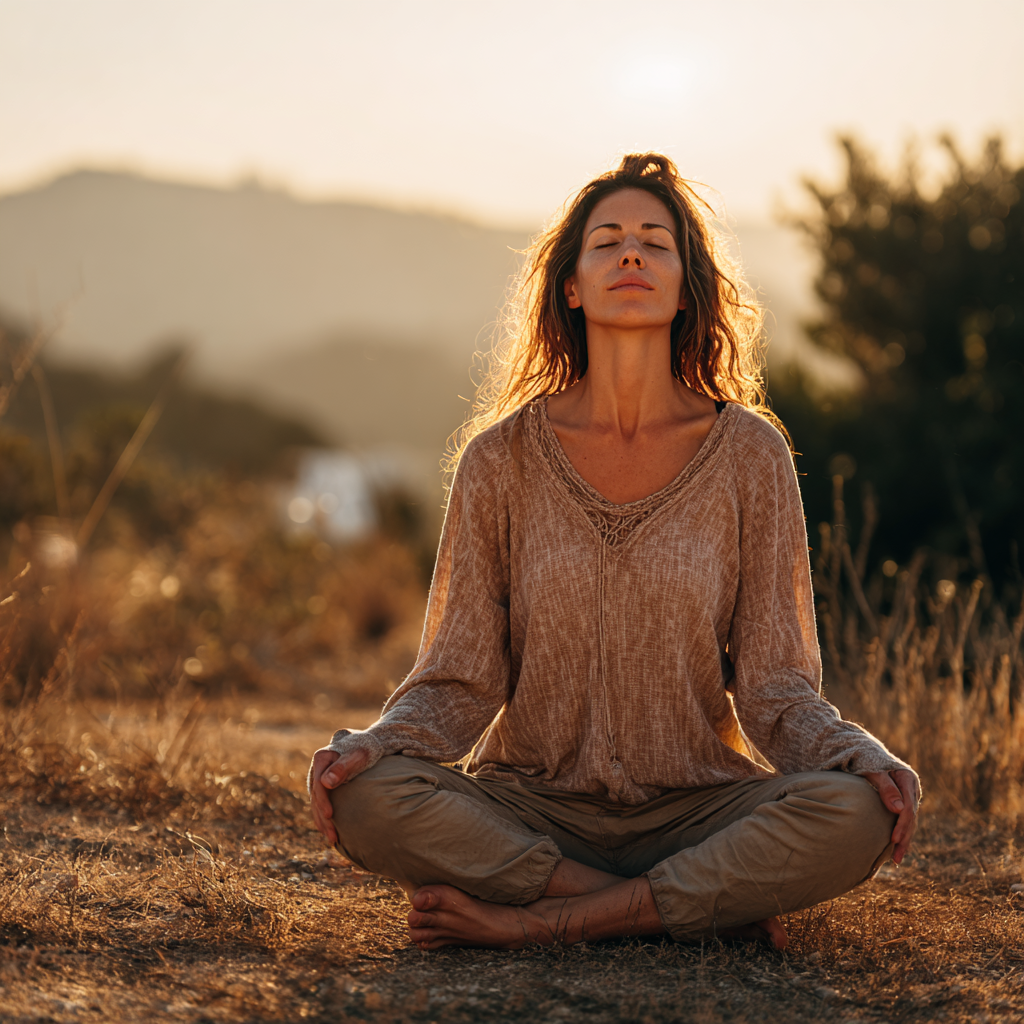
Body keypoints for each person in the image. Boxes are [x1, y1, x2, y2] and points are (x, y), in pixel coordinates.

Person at [307, 153, 920, 952]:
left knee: (857, 812)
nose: (631, 253)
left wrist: (858, 753)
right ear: (572, 284)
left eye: (655, 242)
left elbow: (777, 689)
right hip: (532, 810)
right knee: (368, 799)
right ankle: (675, 910)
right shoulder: (502, 460)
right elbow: (460, 680)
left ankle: (543, 923)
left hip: (696, 812)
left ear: (685, 283)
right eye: (608, 241)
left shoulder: (750, 457)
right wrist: (374, 745)